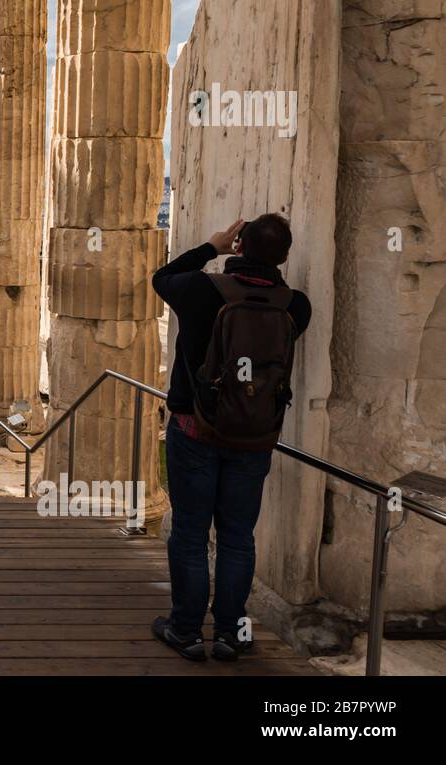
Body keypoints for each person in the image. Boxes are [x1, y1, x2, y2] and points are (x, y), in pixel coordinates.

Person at [150, 214, 312, 662]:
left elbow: (162, 277)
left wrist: (211, 247)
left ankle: (185, 630)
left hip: (193, 427)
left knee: (190, 534)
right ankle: (231, 633)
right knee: (238, 536)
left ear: (238, 246)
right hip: (254, 437)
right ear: (284, 256)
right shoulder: (295, 306)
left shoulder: (201, 291)